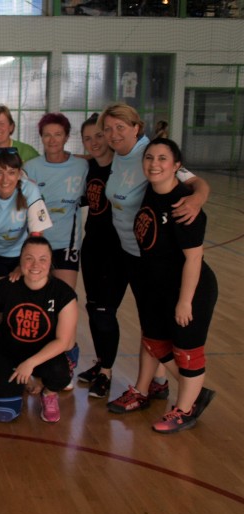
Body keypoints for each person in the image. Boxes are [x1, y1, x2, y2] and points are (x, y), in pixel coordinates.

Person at [94, 103, 210, 407]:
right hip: (130, 252)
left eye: (121, 127)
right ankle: (156, 384)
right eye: (108, 129)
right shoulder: (120, 157)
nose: (114, 134)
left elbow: (195, 182)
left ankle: (186, 392)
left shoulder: (151, 154)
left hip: (152, 258)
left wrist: (196, 199)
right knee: (151, 326)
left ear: (137, 128)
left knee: (155, 328)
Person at [107, 139, 218, 433]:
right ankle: (189, 393)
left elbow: (194, 259)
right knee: (154, 341)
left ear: (176, 166)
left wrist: (185, 302)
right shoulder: (151, 189)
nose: (154, 164)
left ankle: (185, 410)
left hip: (189, 288)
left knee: (186, 350)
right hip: (156, 284)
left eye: (162, 159)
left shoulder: (185, 206)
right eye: (149, 158)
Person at [0, 236, 78, 423]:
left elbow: (63, 341)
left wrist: (30, 363)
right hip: (9, 354)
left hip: (44, 355)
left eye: (43, 259)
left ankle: (49, 393)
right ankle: (22, 382)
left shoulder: (63, 294)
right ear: (20, 260)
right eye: (29, 258)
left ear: (50, 262)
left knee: (60, 374)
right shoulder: (7, 286)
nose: (35, 265)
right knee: (3, 414)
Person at [75, 114, 126, 398]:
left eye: (99, 135)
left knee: (106, 312)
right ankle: (100, 363)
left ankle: (107, 372)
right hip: (92, 245)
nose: (94, 142)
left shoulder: (125, 165)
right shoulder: (89, 167)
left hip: (117, 251)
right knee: (93, 308)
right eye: (87, 138)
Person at [0, 148, 52, 287]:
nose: (5, 179)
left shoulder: (30, 190)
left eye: (11, 172)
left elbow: (36, 234)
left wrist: (22, 265)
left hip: (22, 253)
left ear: (19, 174)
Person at [23, 113, 87, 290]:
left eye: (58, 134)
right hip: (36, 241)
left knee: (64, 295)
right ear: (41, 137)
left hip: (67, 244)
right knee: (37, 295)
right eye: (47, 135)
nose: (52, 140)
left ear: (66, 137)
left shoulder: (81, 166)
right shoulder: (30, 168)